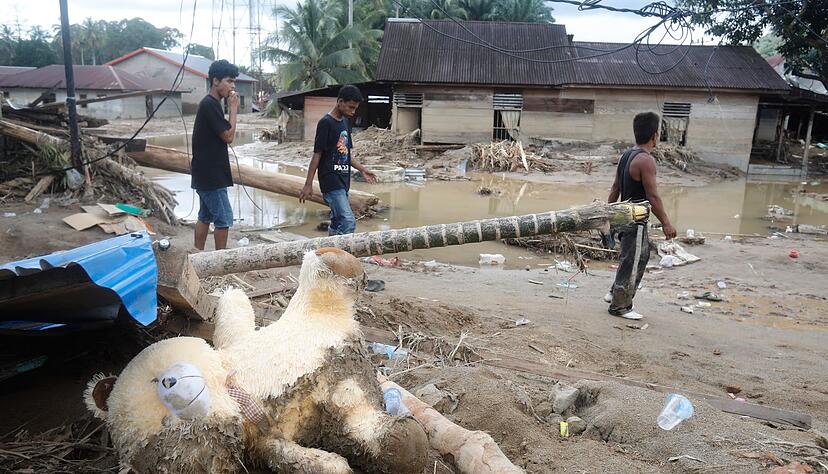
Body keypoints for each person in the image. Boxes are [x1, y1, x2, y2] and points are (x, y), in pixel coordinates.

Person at [604, 112, 677, 320]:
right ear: (655, 135)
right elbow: (653, 196)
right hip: (635, 219)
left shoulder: (626, 155)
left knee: (638, 257)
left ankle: (613, 292)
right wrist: (666, 223)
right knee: (634, 260)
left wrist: (610, 215)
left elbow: (615, 188)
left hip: (624, 217)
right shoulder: (646, 161)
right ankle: (620, 306)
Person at [299, 85, 377, 235]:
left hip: (343, 181)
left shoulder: (345, 122)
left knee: (336, 222)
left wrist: (362, 169)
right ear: (340, 102)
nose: (353, 112)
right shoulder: (325, 123)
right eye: (350, 107)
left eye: (355, 109)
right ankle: (341, 256)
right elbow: (317, 155)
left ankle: (329, 253)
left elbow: (346, 154)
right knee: (348, 221)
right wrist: (308, 184)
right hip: (331, 181)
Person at [191, 59, 239, 251]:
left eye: (234, 81)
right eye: (229, 81)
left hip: (205, 173)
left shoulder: (211, 104)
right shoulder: (210, 105)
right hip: (211, 175)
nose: (233, 86)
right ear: (215, 81)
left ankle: (196, 253)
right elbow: (228, 136)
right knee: (223, 218)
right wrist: (234, 109)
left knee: (205, 216)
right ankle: (219, 260)